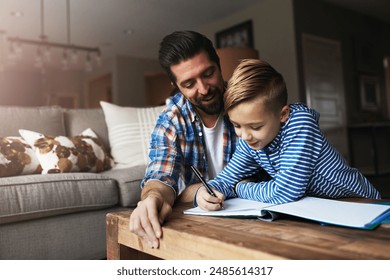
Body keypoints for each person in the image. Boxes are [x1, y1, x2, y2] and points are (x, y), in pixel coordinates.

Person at [196, 59, 381, 209]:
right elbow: (226, 179)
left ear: (283, 114)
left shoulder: (299, 124)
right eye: (236, 125)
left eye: (256, 127)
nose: (244, 136)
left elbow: (285, 192)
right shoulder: (249, 140)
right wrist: (207, 193)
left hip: (361, 202)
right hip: (324, 208)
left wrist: (240, 187)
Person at [129, 30, 238, 248]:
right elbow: (161, 176)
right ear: (176, 85)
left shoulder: (247, 100)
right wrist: (152, 199)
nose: (204, 89)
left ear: (219, 64)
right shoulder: (171, 120)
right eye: (189, 84)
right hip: (200, 225)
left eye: (208, 73)